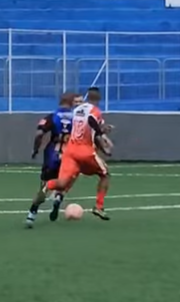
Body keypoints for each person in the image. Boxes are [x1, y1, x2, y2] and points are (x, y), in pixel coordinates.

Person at [46, 87, 113, 222]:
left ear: (87, 98)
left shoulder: (76, 111)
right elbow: (92, 123)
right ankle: (99, 207)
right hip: (85, 151)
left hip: (70, 151)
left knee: (66, 180)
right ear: (98, 99)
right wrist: (102, 136)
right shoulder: (95, 111)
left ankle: (52, 189)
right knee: (105, 174)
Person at [24, 93, 75, 228]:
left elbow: (39, 134)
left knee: (45, 186)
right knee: (63, 182)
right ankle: (58, 197)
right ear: (71, 103)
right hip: (69, 155)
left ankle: (32, 213)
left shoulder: (52, 117)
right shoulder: (76, 118)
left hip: (52, 154)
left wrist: (36, 149)